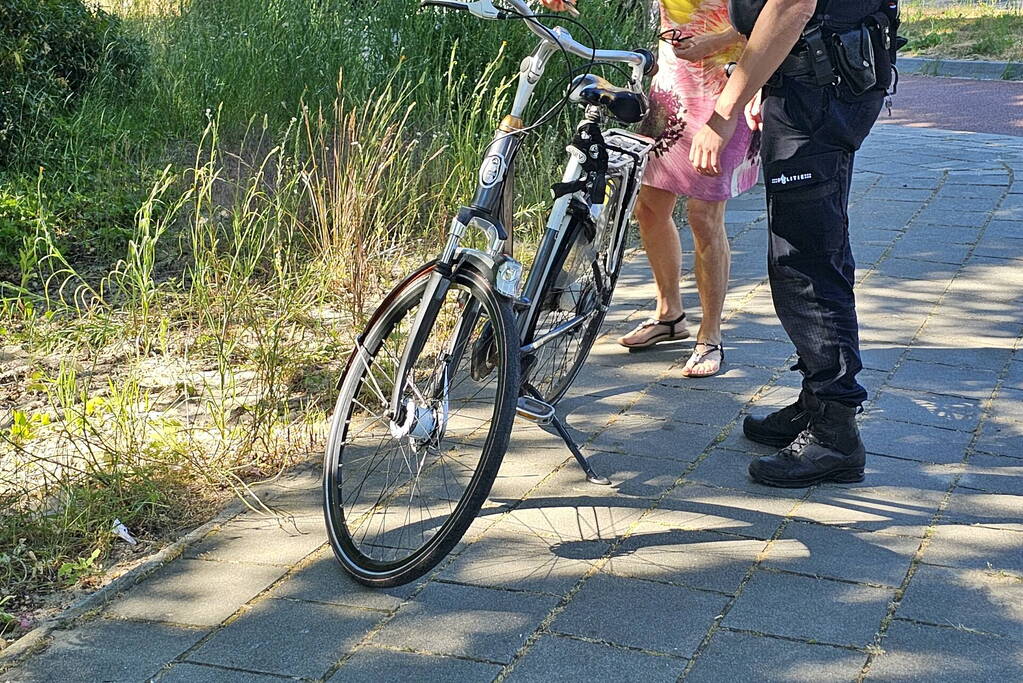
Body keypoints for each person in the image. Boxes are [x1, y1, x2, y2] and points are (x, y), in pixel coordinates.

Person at [688, 0, 889, 487]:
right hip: (814, 82)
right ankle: (818, 402)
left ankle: (835, 433)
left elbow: (791, 7)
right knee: (812, 250)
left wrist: (723, 113)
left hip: (818, 91)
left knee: (805, 261)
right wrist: (766, 76)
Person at [615, 1, 760, 380]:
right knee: (649, 207)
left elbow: (770, 13)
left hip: (730, 83)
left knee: (703, 215)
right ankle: (669, 315)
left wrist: (718, 40)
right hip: (673, 86)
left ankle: (710, 335)